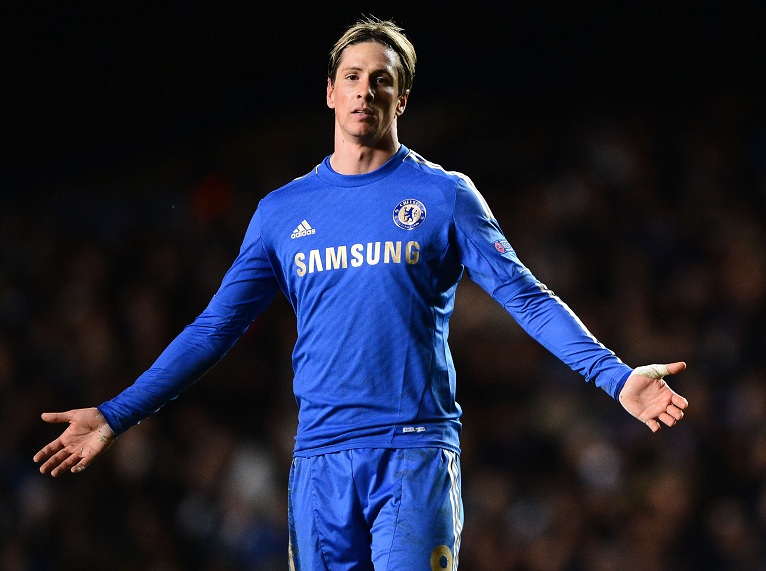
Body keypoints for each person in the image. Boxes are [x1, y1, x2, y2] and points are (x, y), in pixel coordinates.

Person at [34, 16, 689, 571]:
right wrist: (116, 414)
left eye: (382, 79)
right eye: (352, 76)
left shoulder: (444, 196)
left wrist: (616, 378)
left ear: (401, 99)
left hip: (414, 450)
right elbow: (214, 329)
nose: (365, 90)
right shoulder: (282, 212)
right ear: (329, 92)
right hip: (318, 462)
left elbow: (527, 297)